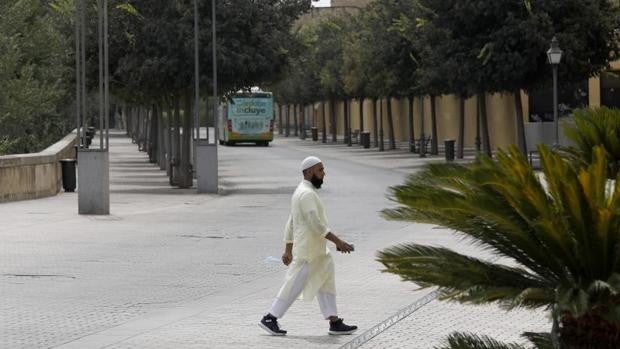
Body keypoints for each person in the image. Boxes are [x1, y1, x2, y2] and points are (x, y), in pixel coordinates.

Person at [259, 156, 358, 336]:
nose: (324, 173)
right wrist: (339, 242)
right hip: (308, 252)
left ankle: (334, 321)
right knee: (294, 284)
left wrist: (287, 249)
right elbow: (316, 224)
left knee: (325, 279)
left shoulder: (303, 191)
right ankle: (270, 317)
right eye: (320, 170)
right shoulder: (306, 194)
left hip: (317, 251)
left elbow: (291, 222)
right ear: (310, 172)